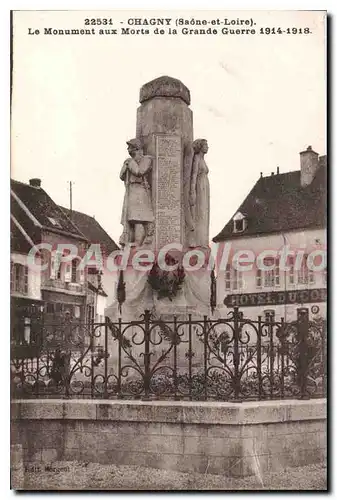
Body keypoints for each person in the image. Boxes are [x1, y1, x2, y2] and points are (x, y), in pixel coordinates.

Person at [119, 138, 154, 247]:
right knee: (133, 218)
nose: (128, 149)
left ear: (137, 148)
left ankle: (142, 240)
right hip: (131, 190)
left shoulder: (147, 159)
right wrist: (126, 165)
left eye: (130, 147)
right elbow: (121, 176)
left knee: (140, 217)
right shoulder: (129, 161)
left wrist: (130, 163)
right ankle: (137, 241)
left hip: (140, 190)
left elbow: (139, 171)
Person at [188, 139, 210, 247]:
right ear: (200, 147)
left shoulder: (203, 159)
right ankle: (198, 241)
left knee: (204, 213)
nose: (207, 147)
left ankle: (203, 240)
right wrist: (192, 191)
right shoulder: (196, 158)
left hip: (204, 186)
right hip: (199, 186)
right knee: (199, 213)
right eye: (205, 145)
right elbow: (194, 175)